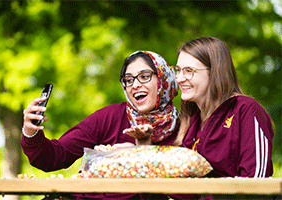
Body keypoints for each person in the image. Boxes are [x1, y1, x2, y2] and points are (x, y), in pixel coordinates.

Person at [21, 50, 183, 200]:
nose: (135, 85)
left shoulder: (184, 127)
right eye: (128, 80)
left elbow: (186, 192)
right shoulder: (109, 117)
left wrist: (135, 156)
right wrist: (30, 131)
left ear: (163, 79)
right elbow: (51, 158)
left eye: (144, 76)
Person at [175, 36, 274, 178]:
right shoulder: (191, 120)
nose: (179, 78)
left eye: (189, 71)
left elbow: (256, 183)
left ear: (214, 72)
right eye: (178, 70)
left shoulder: (246, 110)